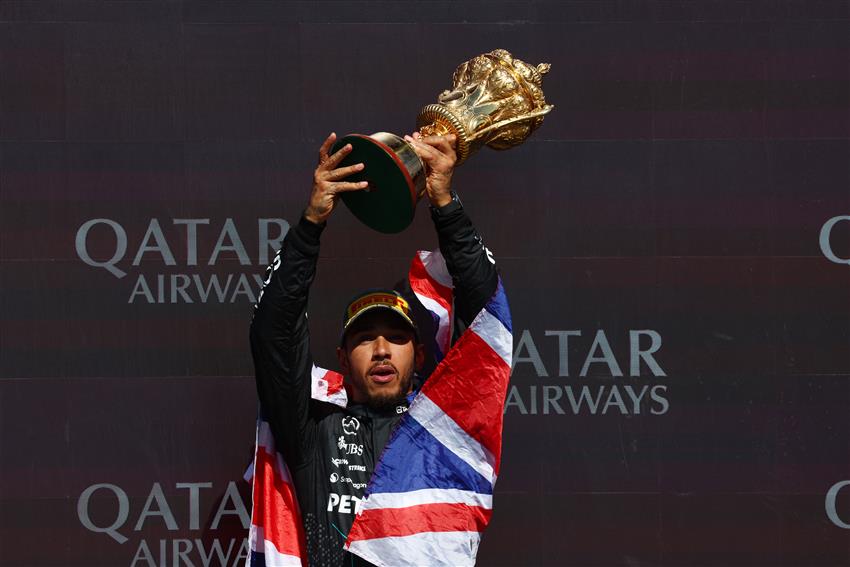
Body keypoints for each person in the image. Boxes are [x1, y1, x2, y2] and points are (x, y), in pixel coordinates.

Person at [250, 130, 498, 566]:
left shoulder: (445, 430)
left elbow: (484, 324)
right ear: (343, 360)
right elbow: (274, 334)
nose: (381, 349)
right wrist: (311, 224)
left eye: (396, 338)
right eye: (365, 339)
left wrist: (445, 203)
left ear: (419, 356)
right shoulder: (313, 435)